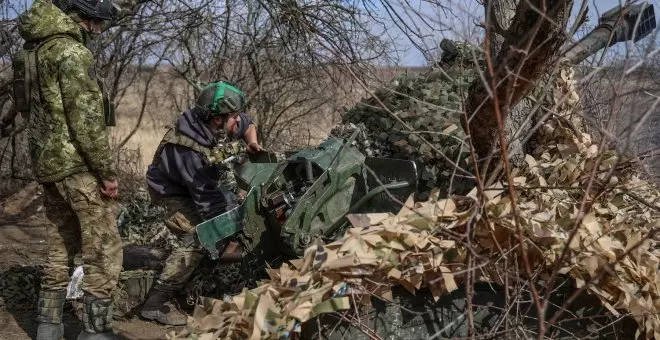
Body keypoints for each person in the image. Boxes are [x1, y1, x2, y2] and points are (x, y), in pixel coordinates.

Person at [17, 0, 122, 339]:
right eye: (99, 22)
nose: (101, 29)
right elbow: (88, 122)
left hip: (47, 164)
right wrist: (107, 173)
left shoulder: (34, 49)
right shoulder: (72, 53)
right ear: (85, 17)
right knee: (103, 250)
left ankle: (48, 327)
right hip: (78, 166)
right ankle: (95, 331)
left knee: (59, 245)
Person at [141, 81, 262, 325]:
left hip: (199, 186)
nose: (237, 123)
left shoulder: (215, 120)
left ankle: (209, 272)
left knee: (228, 225)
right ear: (218, 120)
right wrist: (233, 238)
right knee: (199, 238)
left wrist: (252, 143)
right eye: (233, 118)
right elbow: (212, 212)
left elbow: (248, 124)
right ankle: (156, 302)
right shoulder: (189, 151)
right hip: (171, 195)